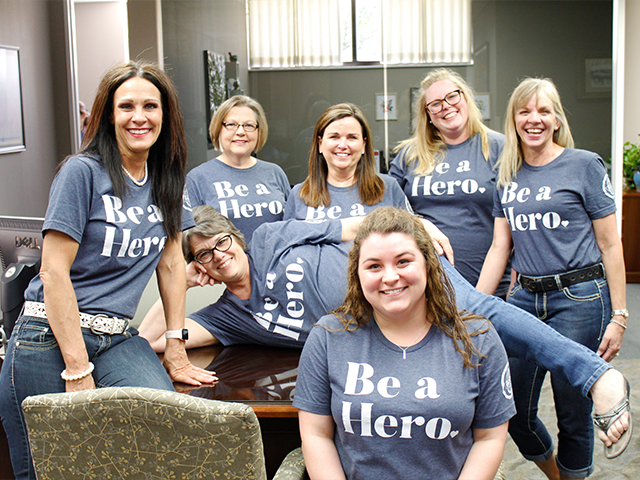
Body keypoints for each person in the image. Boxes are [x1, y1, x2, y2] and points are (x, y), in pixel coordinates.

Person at [139, 205, 630, 460]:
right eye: (202, 254)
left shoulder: (272, 237)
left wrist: (411, 226)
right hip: (384, 321)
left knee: (479, 312)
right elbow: (153, 340)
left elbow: (353, 227)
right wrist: (173, 278)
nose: (217, 254)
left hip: (388, 270)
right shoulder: (227, 317)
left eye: (221, 242)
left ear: (237, 238)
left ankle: (598, 377)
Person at [0, 61, 216, 479]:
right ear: (108, 115)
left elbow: (172, 263)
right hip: (48, 337)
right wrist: (77, 369)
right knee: (52, 470)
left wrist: (175, 344)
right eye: (127, 106)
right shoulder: (82, 173)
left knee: (165, 430)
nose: (140, 117)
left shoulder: (167, 178)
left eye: (151, 106)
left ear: (165, 115)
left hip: (116, 337)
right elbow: (53, 272)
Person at [477, 78, 630, 476]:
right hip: (524, 300)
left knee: (573, 415)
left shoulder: (584, 165)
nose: (534, 119)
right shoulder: (506, 173)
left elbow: (611, 244)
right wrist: (473, 308)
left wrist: (620, 314)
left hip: (579, 299)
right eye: (525, 111)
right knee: (511, 410)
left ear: (557, 119)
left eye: (544, 111)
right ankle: (556, 474)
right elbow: (499, 248)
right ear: (513, 120)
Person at [293, 207, 516, 479]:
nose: (389, 277)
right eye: (374, 266)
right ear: (357, 274)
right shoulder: (327, 338)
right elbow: (316, 435)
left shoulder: (478, 338)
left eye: (403, 262)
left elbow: (490, 438)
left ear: (427, 264)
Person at [389, 69, 510, 295]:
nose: (445, 106)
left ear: (465, 98)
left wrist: (480, 299)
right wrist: (419, 222)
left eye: (452, 97)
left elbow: (517, 224)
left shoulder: (499, 149)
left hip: (490, 289)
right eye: (434, 104)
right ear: (428, 114)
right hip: (426, 289)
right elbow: (387, 210)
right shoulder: (409, 155)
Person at [284, 103, 411, 228]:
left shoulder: (389, 188)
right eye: (334, 137)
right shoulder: (298, 195)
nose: (343, 145)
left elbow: (413, 238)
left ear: (364, 145)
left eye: (352, 137)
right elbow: (286, 243)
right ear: (320, 143)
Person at [186, 95, 291, 240]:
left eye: (249, 125)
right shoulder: (197, 178)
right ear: (219, 129)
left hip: (275, 261)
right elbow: (190, 237)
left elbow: (290, 226)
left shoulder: (275, 173)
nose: (241, 132)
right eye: (231, 124)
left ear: (258, 131)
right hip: (223, 262)